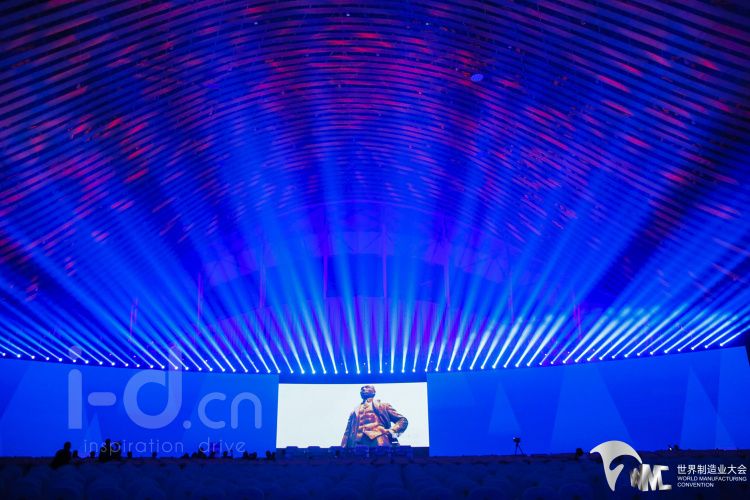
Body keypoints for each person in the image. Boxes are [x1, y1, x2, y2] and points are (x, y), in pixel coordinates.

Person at [341, 385, 408, 448]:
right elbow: (347, 432)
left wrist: (392, 431)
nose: (363, 389)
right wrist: (342, 448)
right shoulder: (354, 412)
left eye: (367, 387)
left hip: (378, 440)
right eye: (362, 389)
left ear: (374, 391)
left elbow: (403, 420)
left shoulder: (383, 406)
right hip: (356, 444)